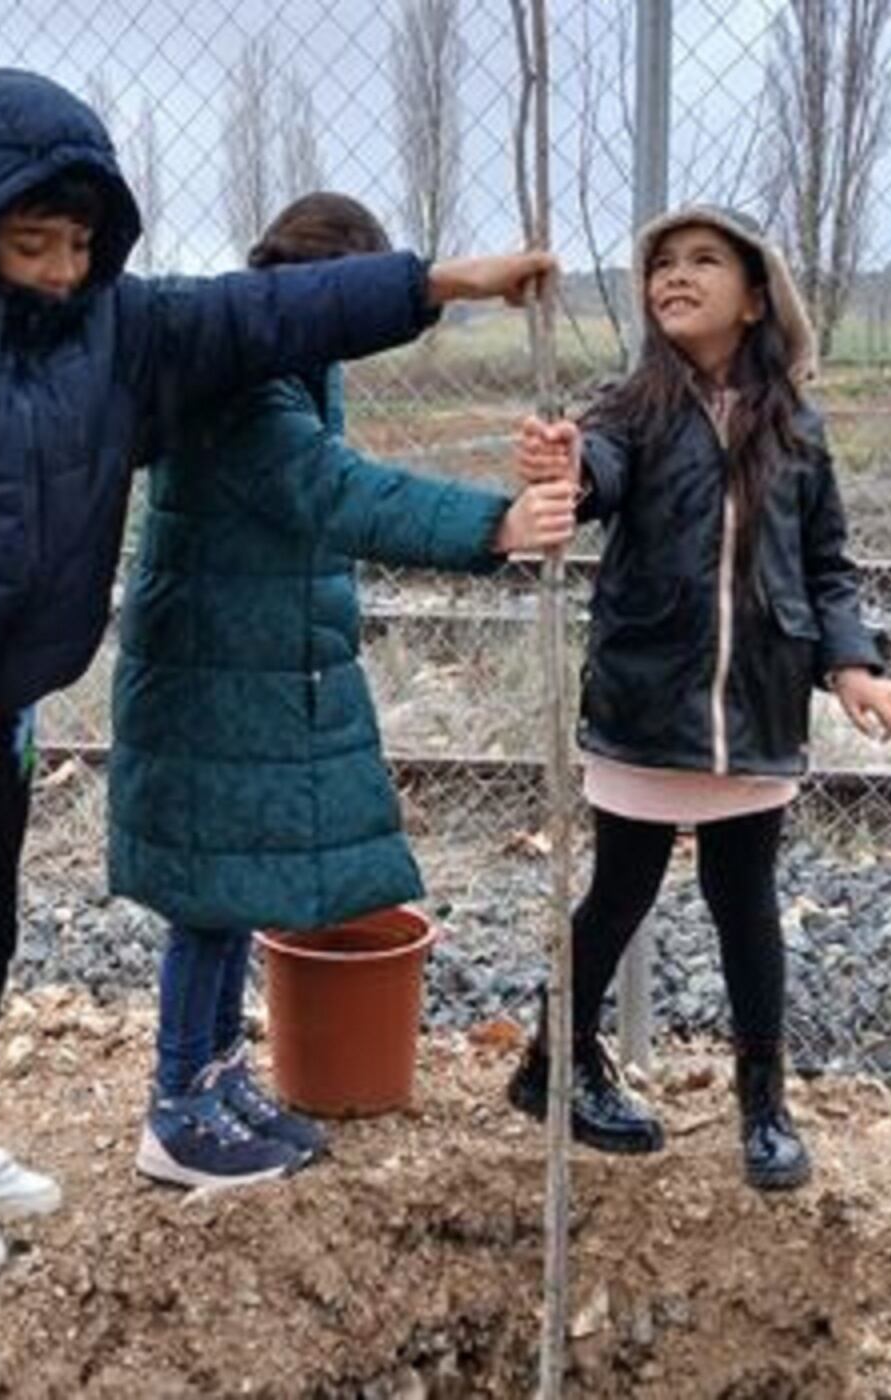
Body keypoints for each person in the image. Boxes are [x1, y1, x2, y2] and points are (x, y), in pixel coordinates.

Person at [0, 67, 556, 1289]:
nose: (62, 267)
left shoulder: (116, 329)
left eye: (78, 242)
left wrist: (437, 281)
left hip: (3, 694)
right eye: (32, 241)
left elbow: (258, 315)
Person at [105, 192, 579, 1190]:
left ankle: (215, 1070)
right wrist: (494, 524)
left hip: (240, 662)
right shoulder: (244, 380)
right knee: (207, 892)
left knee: (228, 886)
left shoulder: (278, 357)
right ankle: (178, 1105)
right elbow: (335, 492)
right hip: (213, 669)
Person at [507, 205, 891, 1190]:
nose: (674, 276)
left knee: (746, 904)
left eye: (702, 261)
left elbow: (827, 565)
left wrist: (851, 662)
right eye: (660, 265)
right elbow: (595, 473)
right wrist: (562, 464)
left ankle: (762, 1105)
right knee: (619, 891)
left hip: (759, 706)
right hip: (650, 701)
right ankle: (549, 1061)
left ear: (755, 294)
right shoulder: (628, 410)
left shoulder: (797, 427)